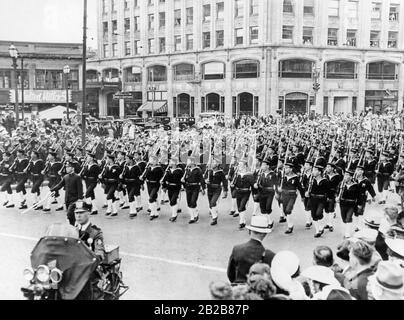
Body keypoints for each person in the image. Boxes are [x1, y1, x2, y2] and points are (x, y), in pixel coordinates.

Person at [227, 216, 275, 284]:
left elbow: (230, 274)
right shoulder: (270, 255)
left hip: (239, 288)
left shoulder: (237, 249)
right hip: (257, 290)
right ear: (264, 234)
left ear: (250, 231)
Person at [50, 161, 84, 226]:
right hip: (67, 199)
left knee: (69, 214)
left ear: (73, 168)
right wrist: (52, 190)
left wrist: (80, 199)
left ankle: (74, 226)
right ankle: (74, 226)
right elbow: (60, 185)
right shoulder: (65, 177)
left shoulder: (77, 177)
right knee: (71, 216)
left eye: (68, 167)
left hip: (75, 199)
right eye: (66, 167)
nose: (66, 169)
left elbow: (80, 189)